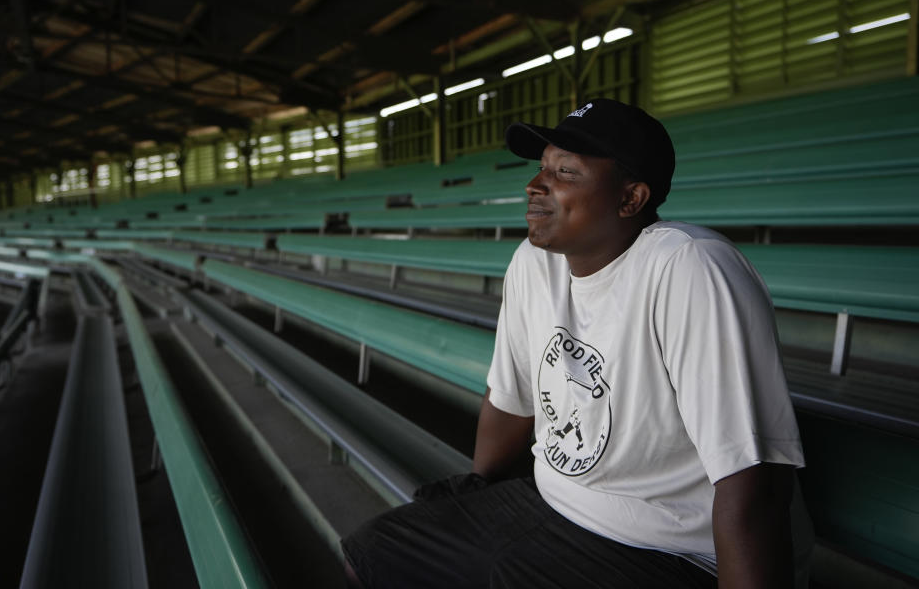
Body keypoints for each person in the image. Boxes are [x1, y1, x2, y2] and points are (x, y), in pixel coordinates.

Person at [341, 99, 813, 588]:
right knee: (373, 558)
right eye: (542, 168)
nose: (535, 186)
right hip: (556, 504)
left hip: (671, 550)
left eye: (564, 173)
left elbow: (751, 483)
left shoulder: (690, 268)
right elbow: (511, 400)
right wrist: (479, 489)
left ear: (630, 199)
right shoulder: (533, 262)